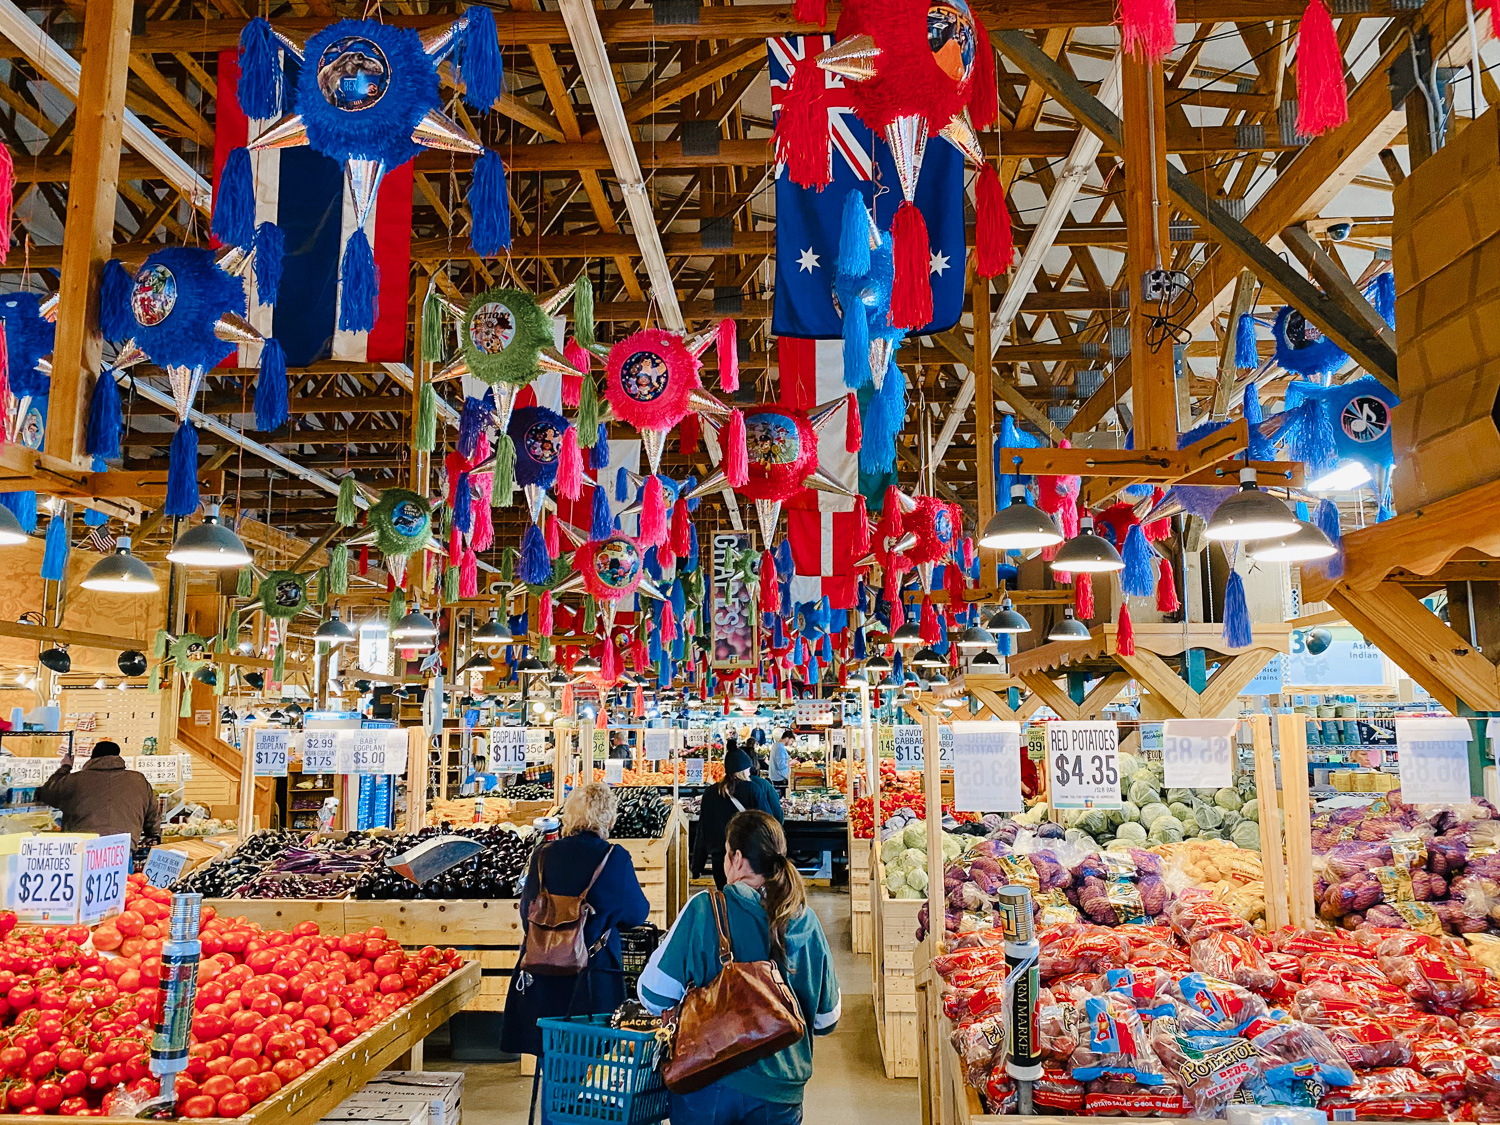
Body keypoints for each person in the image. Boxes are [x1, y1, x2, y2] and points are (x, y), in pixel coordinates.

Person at [640, 811, 841, 1124]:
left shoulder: (705, 909)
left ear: (734, 856)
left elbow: (653, 994)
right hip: (781, 1091)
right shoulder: (806, 920)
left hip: (708, 1081)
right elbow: (827, 1019)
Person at [501, 782, 650, 1110]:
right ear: (608, 817)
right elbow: (637, 913)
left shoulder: (542, 855)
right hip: (591, 980)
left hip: (541, 976)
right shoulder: (614, 858)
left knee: (554, 1063)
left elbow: (527, 913)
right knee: (593, 1072)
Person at [36, 741, 160, 846]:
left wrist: (65, 767)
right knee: (124, 875)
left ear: (92, 758)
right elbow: (152, 813)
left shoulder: (75, 780)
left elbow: (47, 793)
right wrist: (153, 835)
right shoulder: (138, 780)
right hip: (122, 847)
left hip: (83, 847)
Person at [693, 746, 772, 888]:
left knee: (725, 897)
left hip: (720, 860)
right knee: (748, 900)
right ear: (744, 769)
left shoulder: (710, 793)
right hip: (748, 857)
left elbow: (702, 829)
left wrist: (697, 866)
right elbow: (766, 822)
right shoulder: (753, 790)